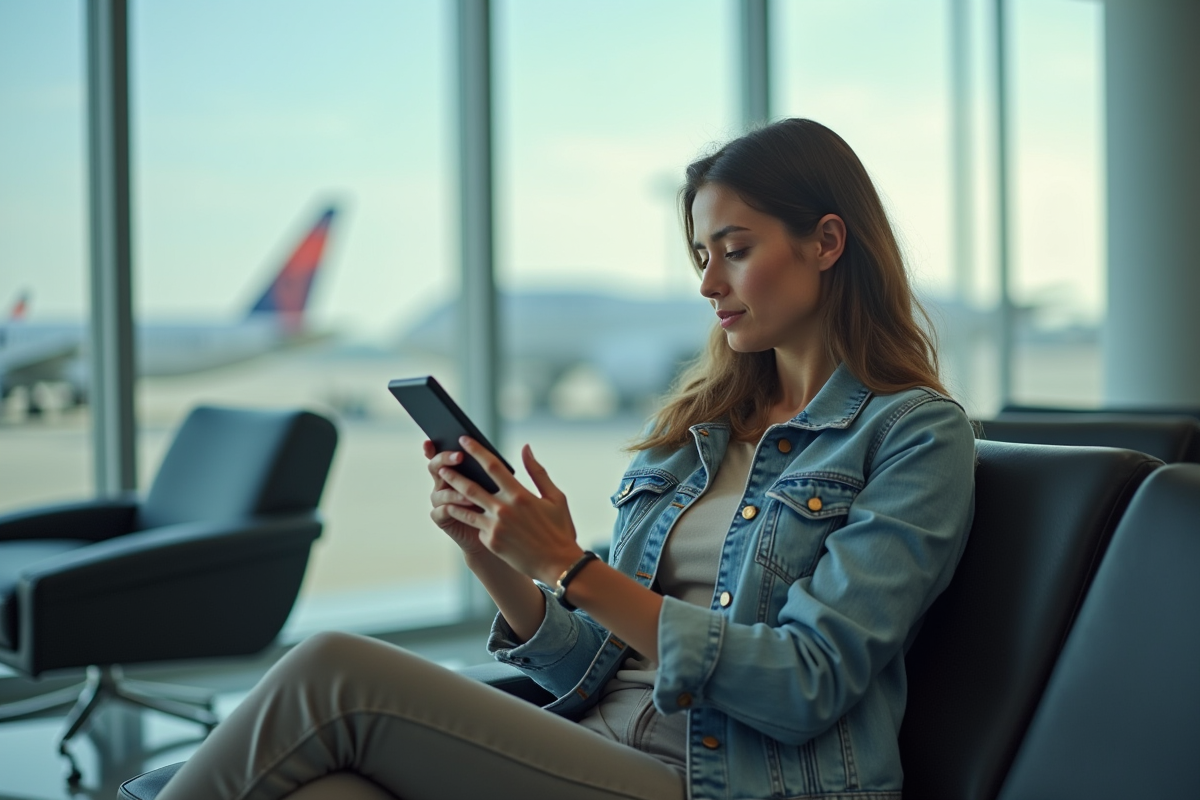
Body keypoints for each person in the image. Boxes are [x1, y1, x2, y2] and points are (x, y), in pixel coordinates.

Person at [157, 118, 976, 800]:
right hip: (598, 747)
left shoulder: (914, 435)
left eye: (734, 248)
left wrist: (569, 565)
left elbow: (809, 683)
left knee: (333, 668)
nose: (707, 283)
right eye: (700, 255)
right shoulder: (700, 427)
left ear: (827, 242)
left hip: (723, 781)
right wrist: (499, 559)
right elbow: (594, 669)